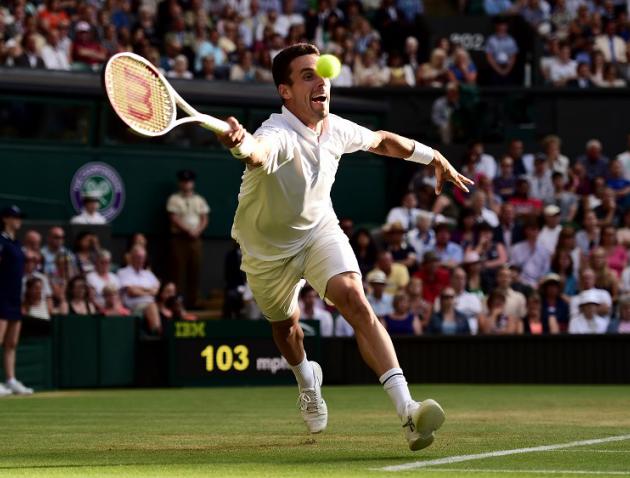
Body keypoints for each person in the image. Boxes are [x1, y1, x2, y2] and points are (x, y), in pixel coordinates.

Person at [216, 44, 472, 450]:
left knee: (355, 298)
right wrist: (239, 144)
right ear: (285, 92)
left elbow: (383, 141)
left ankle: (408, 411)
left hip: (319, 230)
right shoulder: (276, 133)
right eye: (306, 76)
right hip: (266, 251)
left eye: (322, 73)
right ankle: (307, 380)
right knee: (286, 330)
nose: (321, 81)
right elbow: (258, 152)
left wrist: (433, 156)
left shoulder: (335, 127)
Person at [0, 206, 33, 396]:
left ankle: (11, 379)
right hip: (1, 297)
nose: (18, 220)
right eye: (15, 217)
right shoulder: (1, 241)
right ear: (5, 219)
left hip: (15, 297)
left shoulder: (16, 244)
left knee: (12, 343)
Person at [166, 169, 210, 308]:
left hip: (195, 240)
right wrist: (188, 230)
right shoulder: (174, 199)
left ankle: (193, 301)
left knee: (195, 270)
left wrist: (197, 231)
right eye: (184, 181)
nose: (187, 184)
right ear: (180, 183)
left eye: (189, 181)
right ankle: (177, 302)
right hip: (180, 239)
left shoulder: (199, 200)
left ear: (193, 183)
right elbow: (173, 218)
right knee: (178, 271)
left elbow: (204, 218)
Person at [118, 245, 161, 335]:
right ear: (132, 257)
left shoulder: (148, 273)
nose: (140, 260)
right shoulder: (123, 272)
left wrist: (139, 288)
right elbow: (131, 292)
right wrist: (148, 290)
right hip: (133, 306)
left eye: (142, 257)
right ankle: (157, 333)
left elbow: (156, 290)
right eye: (138, 257)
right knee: (151, 305)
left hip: (150, 303)